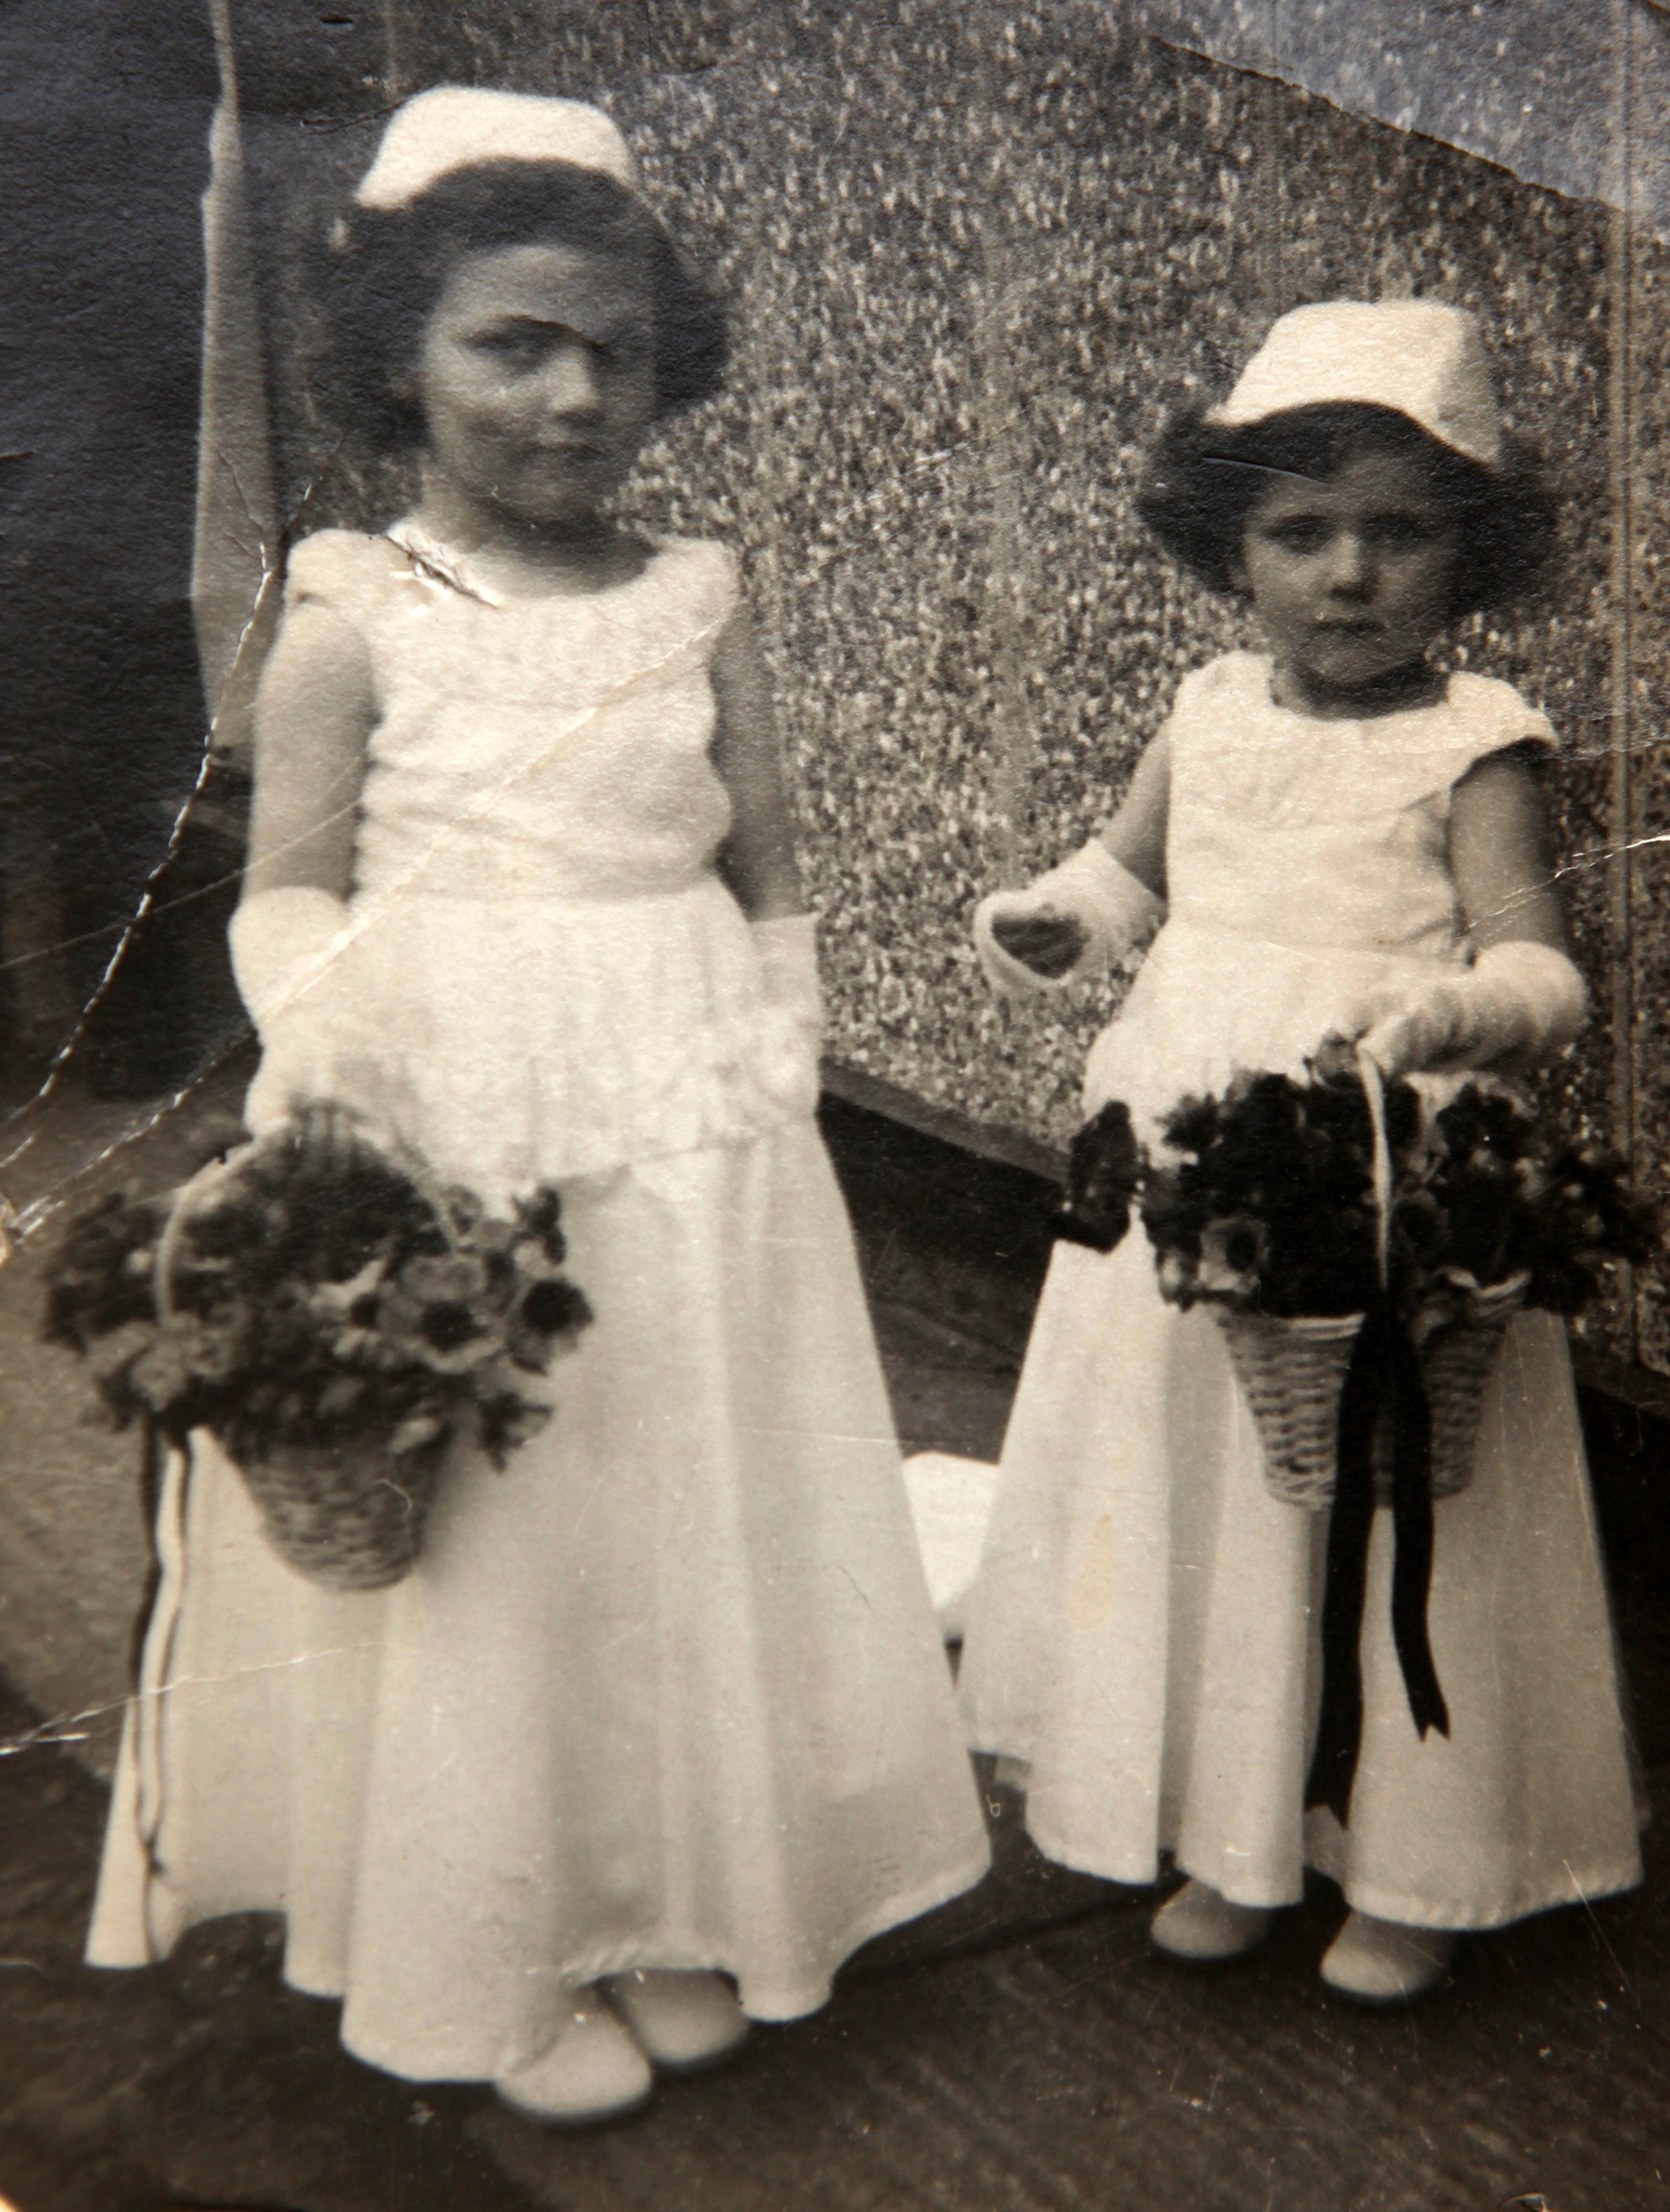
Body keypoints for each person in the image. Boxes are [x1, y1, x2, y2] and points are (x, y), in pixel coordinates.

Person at [84, 88, 989, 2124]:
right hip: (447, 1110)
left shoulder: (697, 596)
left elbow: (763, 858)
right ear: (398, 353)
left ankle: (673, 1886)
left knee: (682, 1498)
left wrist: (769, 1051)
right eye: (514, 343)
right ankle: (490, 1941)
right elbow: (291, 888)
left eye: (617, 349)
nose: (575, 394)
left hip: (683, 1109)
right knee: (505, 1521)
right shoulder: (358, 614)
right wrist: (339, 1079)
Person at [956, 301, 1642, 2005]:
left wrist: (1450, 1021)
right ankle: (1232, 1829)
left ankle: (1415, 1857)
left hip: (1383, 1164)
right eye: (1300, 530)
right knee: (1208, 1480)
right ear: (1230, 546)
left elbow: (1542, 969)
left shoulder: (1471, 739)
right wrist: (1057, 918)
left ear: (1473, 554)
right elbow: (1130, 876)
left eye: (1400, 532)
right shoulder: (1206, 709)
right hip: (1205, 1166)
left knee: (1407, 1499)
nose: (1348, 573)